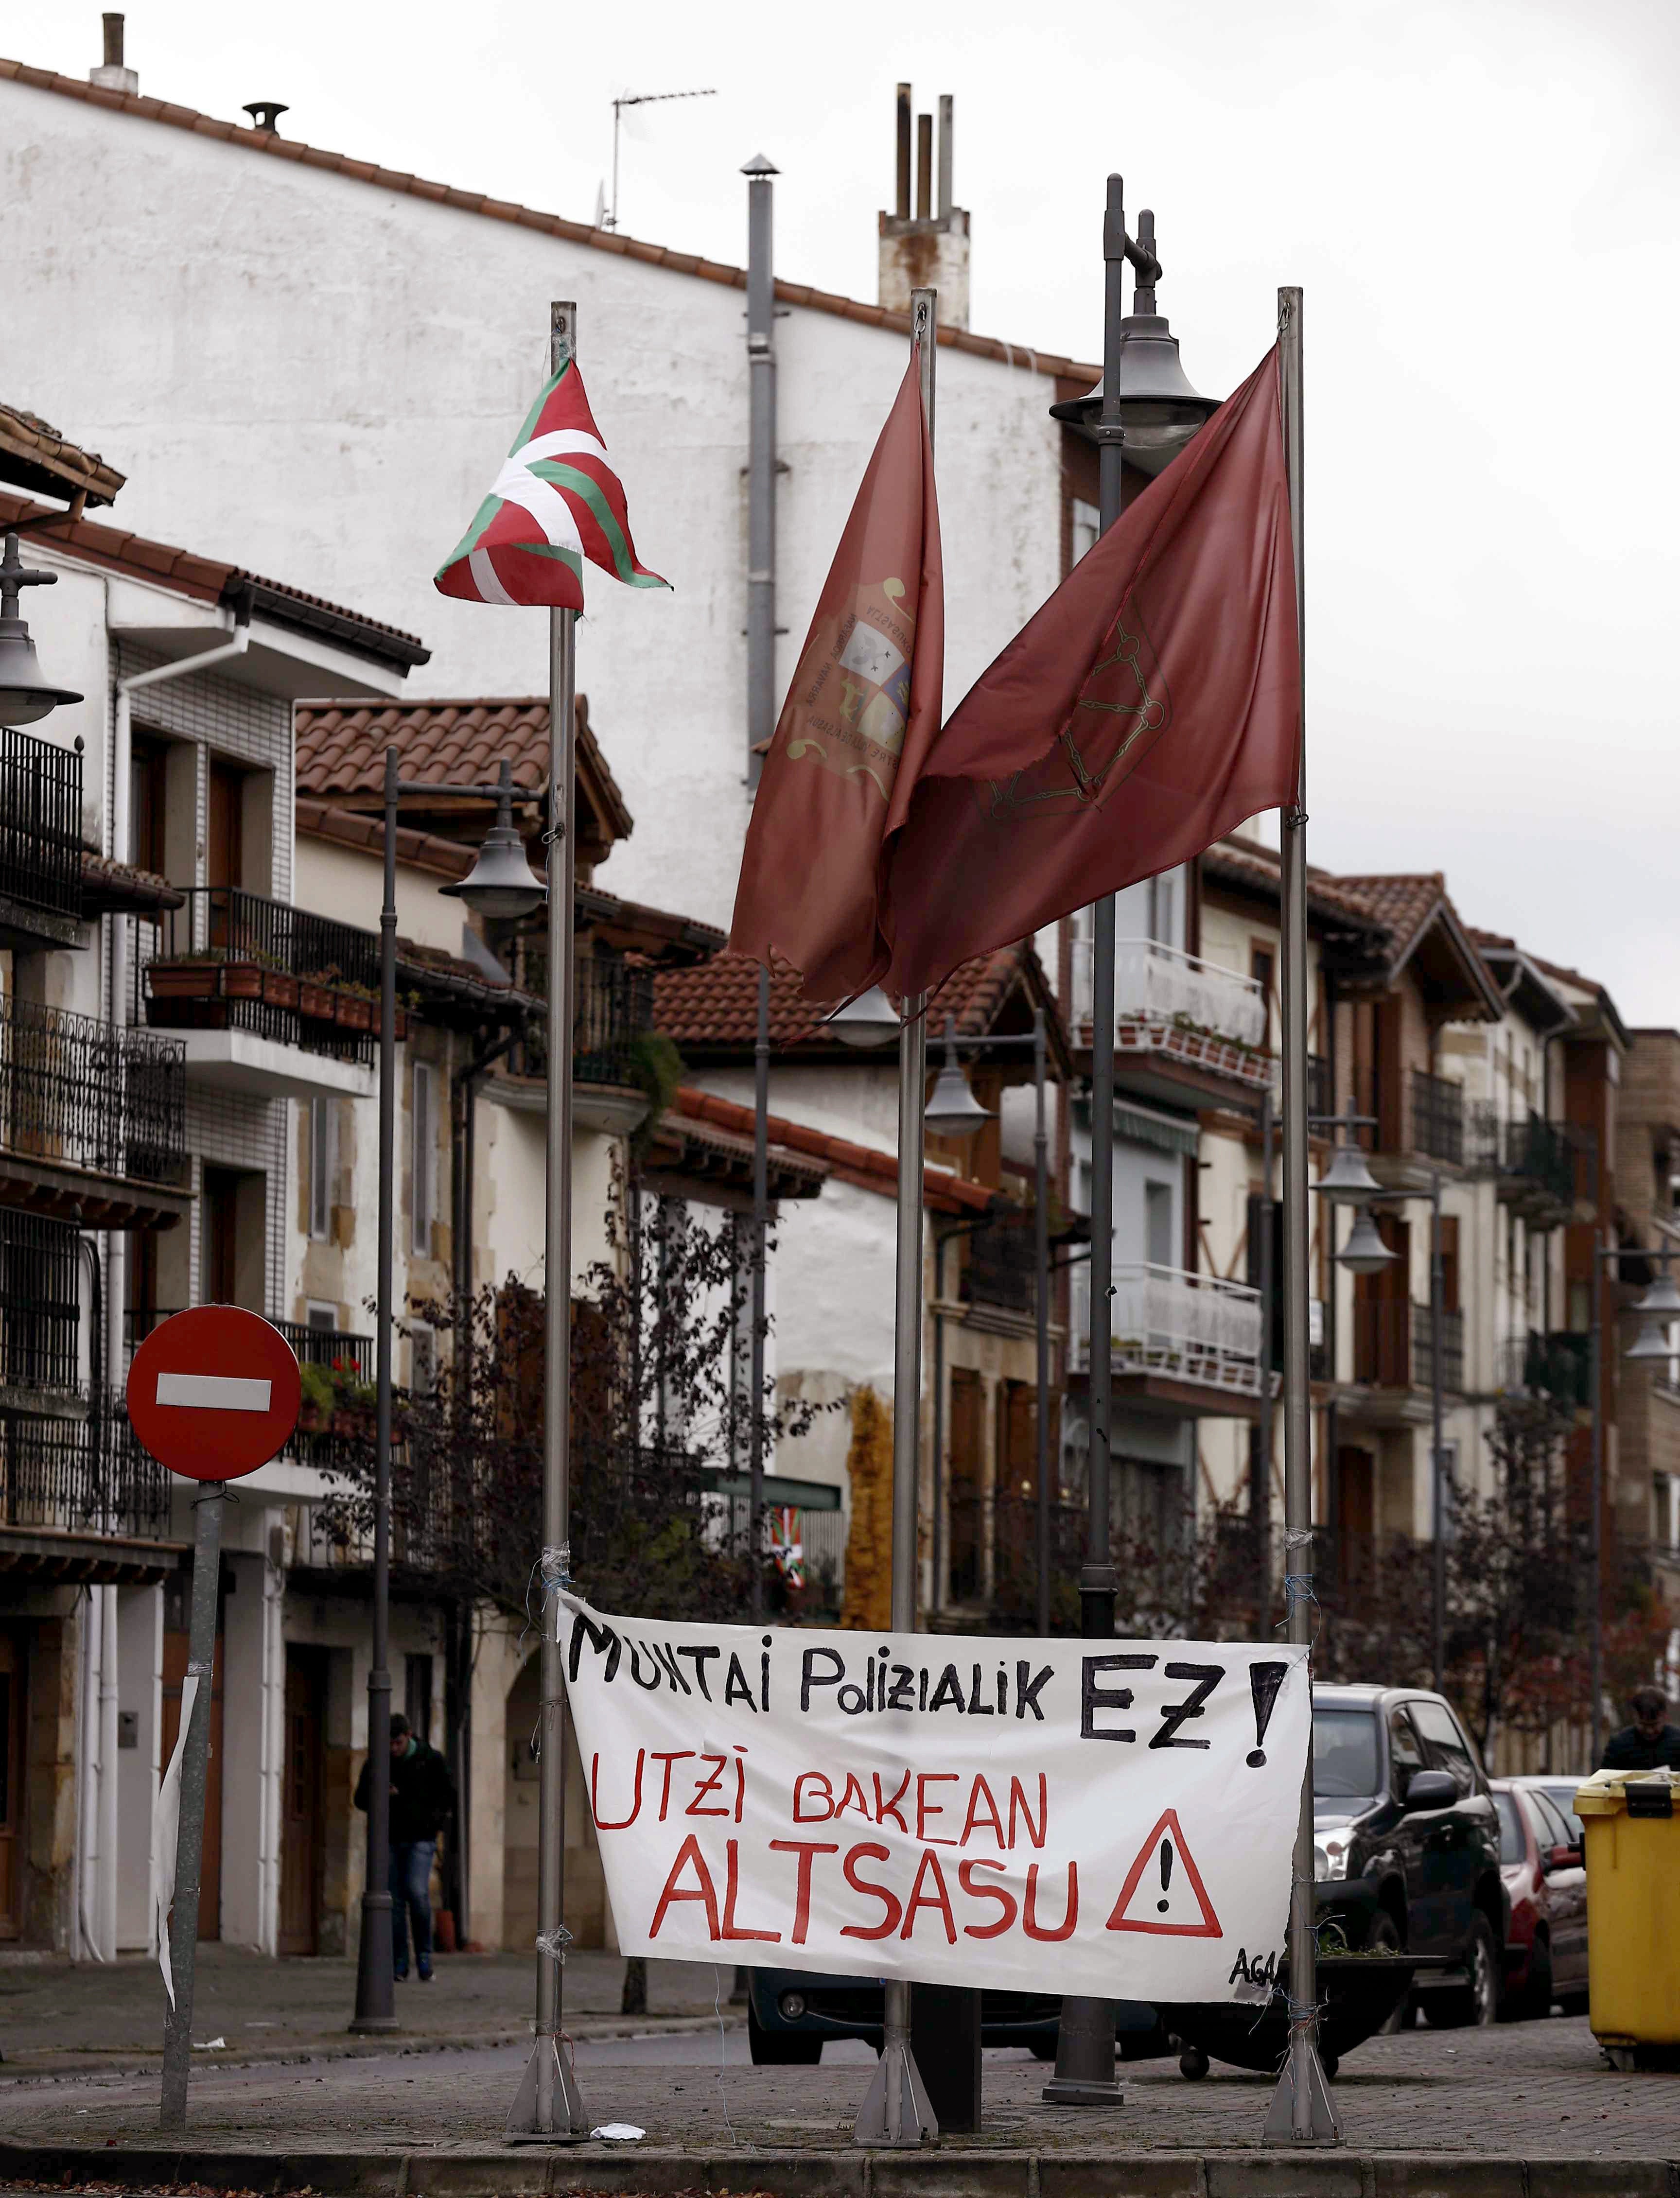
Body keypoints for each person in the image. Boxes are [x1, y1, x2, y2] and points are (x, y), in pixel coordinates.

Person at [354, 1711, 456, 1981]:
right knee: (394, 1901)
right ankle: (399, 1962)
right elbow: (360, 1799)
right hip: (389, 1838)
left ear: (409, 1736)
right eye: (389, 1744)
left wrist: (432, 1822)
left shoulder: (430, 1760)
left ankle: (424, 1956)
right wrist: (380, 1793)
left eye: (397, 1743)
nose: (393, 1749)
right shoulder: (378, 1762)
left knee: (416, 1892)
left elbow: (447, 1796)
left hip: (421, 1837)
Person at [1600, 1685, 1680, 1772]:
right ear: (1635, 1716)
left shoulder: (1677, 1742)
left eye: (1654, 1725)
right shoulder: (1619, 1745)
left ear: (1665, 1717)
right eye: (1644, 1725)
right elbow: (1605, 1776)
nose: (1650, 1731)